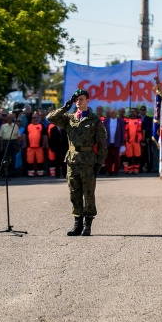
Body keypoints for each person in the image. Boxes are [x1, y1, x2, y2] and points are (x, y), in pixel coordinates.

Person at [47, 89, 107, 236]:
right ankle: (77, 223)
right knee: (74, 193)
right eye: (76, 100)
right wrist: (66, 106)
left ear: (87, 101)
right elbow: (50, 118)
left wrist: (99, 162)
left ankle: (88, 224)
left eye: (81, 99)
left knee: (88, 193)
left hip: (88, 161)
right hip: (72, 161)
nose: (78, 102)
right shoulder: (69, 118)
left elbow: (102, 142)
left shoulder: (94, 119)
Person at [103, 108, 125, 176]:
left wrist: (122, 142)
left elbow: (122, 132)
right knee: (108, 157)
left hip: (117, 142)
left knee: (116, 158)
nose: (112, 114)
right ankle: (109, 171)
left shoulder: (120, 120)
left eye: (113, 112)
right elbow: (103, 131)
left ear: (116, 113)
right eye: (111, 113)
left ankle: (116, 171)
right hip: (108, 142)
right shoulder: (106, 120)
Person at [123, 107, 143, 174]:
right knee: (129, 156)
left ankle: (136, 169)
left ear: (136, 113)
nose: (132, 113)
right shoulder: (126, 120)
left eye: (134, 111)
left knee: (137, 156)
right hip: (128, 141)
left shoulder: (139, 120)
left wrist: (142, 140)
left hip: (136, 141)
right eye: (131, 111)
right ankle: (130, 169)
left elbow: (143, 131)